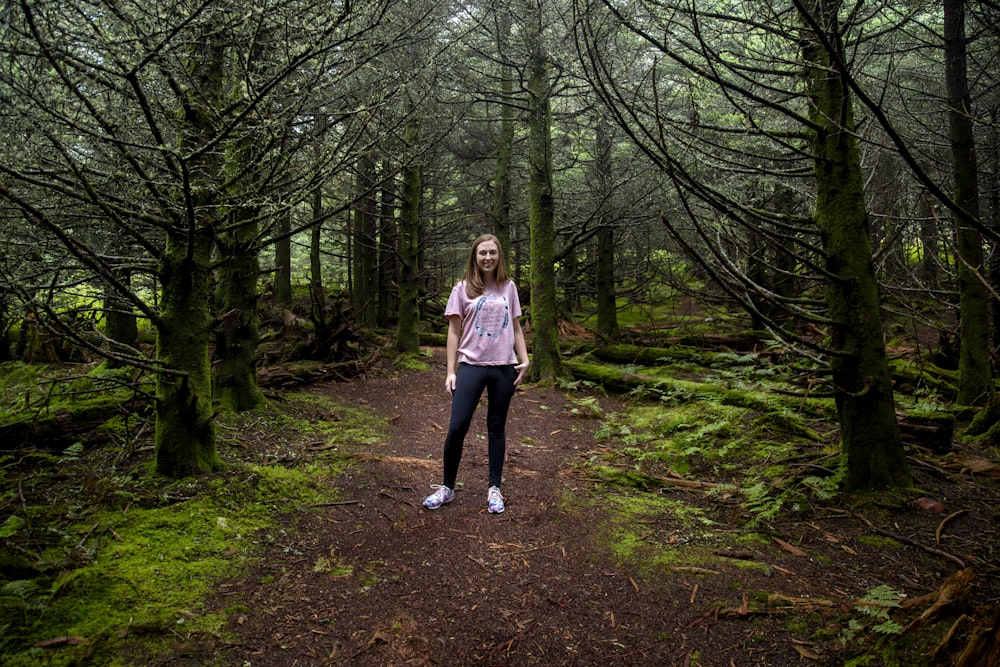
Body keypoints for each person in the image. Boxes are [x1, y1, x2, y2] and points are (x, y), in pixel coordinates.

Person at [423, 234, 529, 514]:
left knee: (496, 428)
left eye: (493, 253)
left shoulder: (509, 288)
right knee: (457, 426)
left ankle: (494, 488)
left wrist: (525, 358)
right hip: (470, 365)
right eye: (482, 253)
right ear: (475, 256)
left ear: (499, 256)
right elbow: (453, 331)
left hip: (503, 367)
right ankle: (447, 487)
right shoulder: (462, 288)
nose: (488, 258)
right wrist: (450, 371)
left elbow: (516, 327)